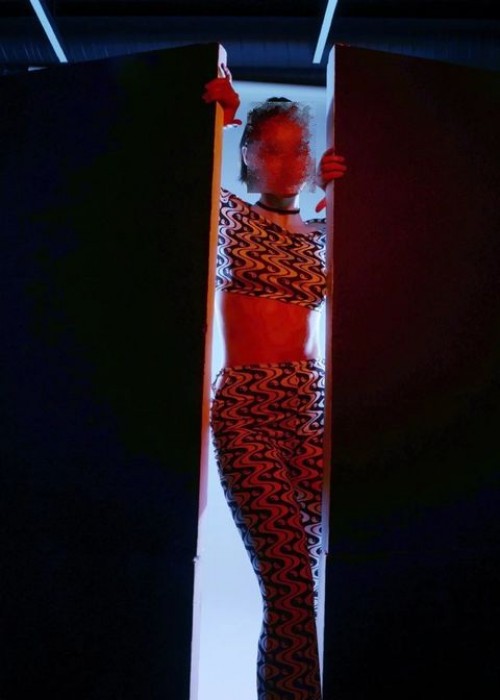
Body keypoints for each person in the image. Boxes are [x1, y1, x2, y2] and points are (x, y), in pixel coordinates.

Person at [203, 66, 347, 700]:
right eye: (271, 149)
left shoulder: (327, 234)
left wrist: (349, 192)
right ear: (248, 156)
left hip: (311, 412)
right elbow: (179, 181)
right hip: (247, 414)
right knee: (288, 583)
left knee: (316, 583)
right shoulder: (229, 218)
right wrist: (219, 121)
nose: (287, 163)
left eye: (299, 150)